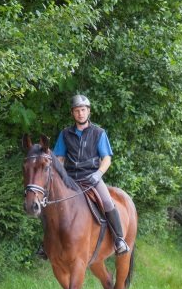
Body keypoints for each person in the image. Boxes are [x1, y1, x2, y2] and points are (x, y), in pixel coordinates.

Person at [37, 94, 129, 258]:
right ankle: (46, 244)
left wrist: (98, 174)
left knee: (107, 202)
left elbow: (107, 159)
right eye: (77, 110)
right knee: (47, 206)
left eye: (83, 110)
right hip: (70, 179)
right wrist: (60, 176)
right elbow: (58, 159)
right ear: (72, 113)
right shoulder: (65, 134)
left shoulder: (99, 133)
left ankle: (119, 240)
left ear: (88, 112)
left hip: (92, 178)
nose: (80, 113)